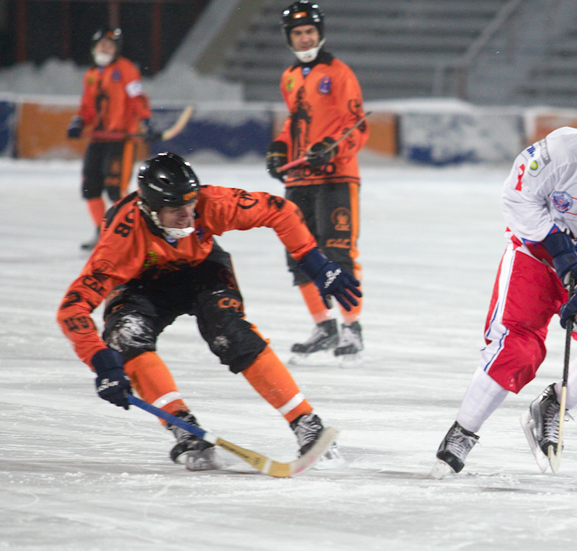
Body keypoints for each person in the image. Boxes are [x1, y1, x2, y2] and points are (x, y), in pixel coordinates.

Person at [56, 152, 361, 470]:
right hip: (140, 282)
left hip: (202, 268)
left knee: (232, 335)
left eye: (190, 204)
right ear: (149, 208)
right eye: (176, 210)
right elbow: (72, 308)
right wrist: (103, 362)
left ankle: (306, 423)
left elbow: (280, 210)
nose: (188, 215)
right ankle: (182, 427)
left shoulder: (210, 202)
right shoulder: (119, 241)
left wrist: (314, 260)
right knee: (125, 339)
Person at [430, 89, 577, 477]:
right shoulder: (559, 152)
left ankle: (553, 405)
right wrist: (558, 249)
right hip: (535, 260)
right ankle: (463, 432)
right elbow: (517, 198)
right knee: (517, 350)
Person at [264, 0, 369, 363]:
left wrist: (331, 148)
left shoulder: (340, 73)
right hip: (300, 179)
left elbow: (358, 127)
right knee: (299, 254)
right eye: (298, 33)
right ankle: (324, 327)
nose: (305, 37)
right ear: (289, 38)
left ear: (320, 33)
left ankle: (351, 328)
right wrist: (279, 148)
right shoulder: (289, 76)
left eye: (310, 31)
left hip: (337, 177)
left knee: (338, 253)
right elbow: (294, 123)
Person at [66, 27, 155, 251]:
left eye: (110, 46)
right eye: (101, 45)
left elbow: (137, 98)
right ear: (94, 48)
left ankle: (128, 234)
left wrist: (145, 119)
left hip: (120, 139)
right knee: (90, 187)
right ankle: (102, 231)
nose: (105, 49)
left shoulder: (126, 70)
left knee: (115, 189)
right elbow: (87, 107)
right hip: (98, 138)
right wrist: (79, 121)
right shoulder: (92, 75)